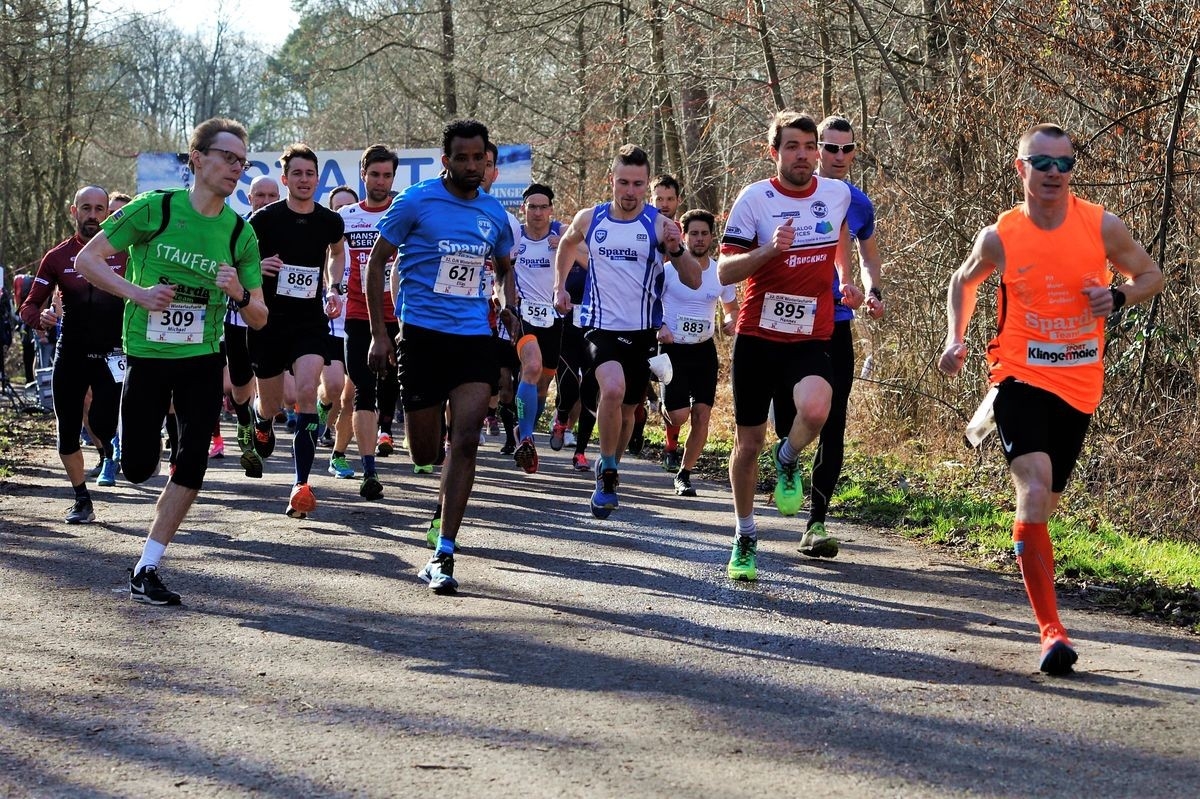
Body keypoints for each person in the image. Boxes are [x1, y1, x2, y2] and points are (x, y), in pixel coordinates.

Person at [938, 122, 1162, 675]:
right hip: (1017, 376)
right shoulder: (1001, 235)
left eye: (1064, 164)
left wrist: (1118, 296)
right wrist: (955, 338)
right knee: (1034, 489)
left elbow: (1150, 275)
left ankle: (1034, 573)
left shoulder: (1101, 225)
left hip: (1080, 386)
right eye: (1042, 163)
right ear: (1022, 169)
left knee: (1046, 503)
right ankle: (1051, 632)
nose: (1054, 174)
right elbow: (963, 282)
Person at [74, 116, 267, 604]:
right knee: (139, 467)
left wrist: (239, 292)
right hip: (147, 355)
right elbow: (87, 261)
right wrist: (138, 293)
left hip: (203, 357)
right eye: (227, 158)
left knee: (193, 460)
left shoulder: (239, 234)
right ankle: (142, 435)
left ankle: (147, 566)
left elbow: (260, 316)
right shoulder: (154, 209)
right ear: (198, 159)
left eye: (242, 162)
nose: (236, 168)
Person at [365, 119, 516, 593]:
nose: (472, 166)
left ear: (487, 161)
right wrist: (380, 335)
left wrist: (508, 303)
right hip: (422, 338)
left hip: (473, 337)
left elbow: (505, 268)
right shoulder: (416, 201)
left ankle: (444, 552)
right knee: (426, 452)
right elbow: (376, 263)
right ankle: (442, 490)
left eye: (479, 158)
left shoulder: (493, 212)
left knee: (466, 440)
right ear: (446, 160)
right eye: (462, 158)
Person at [718, 110, 863, 582]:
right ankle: (745, 535)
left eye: (808, 146)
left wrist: (850, 280)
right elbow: (724, 271)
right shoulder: (754, 199)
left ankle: (787, 458)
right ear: (774, 152)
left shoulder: (837, 194)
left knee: (818, 408)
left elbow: (845, 237)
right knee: (747, 443)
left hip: (810, 335)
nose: (802, 155)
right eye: (791, 147)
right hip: (758, 337)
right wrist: (769, 251)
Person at [553, 145, 702, 519]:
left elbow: (694, 279)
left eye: (638, 184)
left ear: (646, 185)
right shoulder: (590, 219)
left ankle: (610, 467)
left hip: (642, 333)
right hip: (599, 327)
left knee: (629, 411)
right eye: (623, 182)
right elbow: (567, 244)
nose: (630, 191)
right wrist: (559, 286)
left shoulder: (659, 225)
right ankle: (607, 472)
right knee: (613, 388)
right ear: (612, 181)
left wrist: (677, 249)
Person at [248, 144, 346, 518]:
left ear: (317, 179)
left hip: (309, 321)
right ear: (285, 179)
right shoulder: (263, 219)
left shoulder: (329, 221)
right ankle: (261, 420)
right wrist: (258, 266)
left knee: (306, 392)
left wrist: (333, 287)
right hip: (268, 322)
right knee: (273, 404)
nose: (304, 180)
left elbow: (337, 253)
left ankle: (300, 485)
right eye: (297, 174)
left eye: (310, 174)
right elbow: (236, 259)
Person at [19, 186, 128, 522]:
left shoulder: (126, 253)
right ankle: (82, 499)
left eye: (99, 208)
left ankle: (109, 452)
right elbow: (28, 306)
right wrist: (41, 318)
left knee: (103, 424)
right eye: (86, 208)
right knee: (66, 431)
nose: (92, 215)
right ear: (74, 211)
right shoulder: (57, 257)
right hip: (72, 354)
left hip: (113, 353)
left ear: (108, 212)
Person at [806, 115, 886, 546]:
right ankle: (786, 457)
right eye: (830, 147)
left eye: (847, 148)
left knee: (833, 420)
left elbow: (869, 256)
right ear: (816, 149)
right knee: (792, 418)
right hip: (790, 323)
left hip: (836, 322)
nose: (839, 156)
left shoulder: (859, 203)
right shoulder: (791, 192)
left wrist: (872, 291)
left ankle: (816, 521)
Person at [657, 208, 738, 497]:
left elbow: (731, 308)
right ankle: (665, 408)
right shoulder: (668, 271)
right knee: (678, 416)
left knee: (702, 415)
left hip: (704, 350)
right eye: (694, 233)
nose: (699, 239)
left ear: (712, 237)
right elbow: (650, 305)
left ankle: (685, 474)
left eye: (704, 233)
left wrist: (731, 320)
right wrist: (659, 326)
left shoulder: (720, 273)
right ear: (683, 236)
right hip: (672, 349)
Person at [338, 146, 403, 500]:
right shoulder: (346, 216)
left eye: (387, 175)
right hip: (357, 315)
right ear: (363, 174)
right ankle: (369, 470)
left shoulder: (403, 212)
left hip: (399, 316)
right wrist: (331, 289)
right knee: (363, 388)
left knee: (391, 386)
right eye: (375, 174)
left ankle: (392, 432)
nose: (381, 181)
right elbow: (333, 258)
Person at [505, 182, 564, 474]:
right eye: (532, 207)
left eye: (543, 207)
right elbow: (500, 269)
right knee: (531, 367)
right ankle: (527, 438)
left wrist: (565, 246)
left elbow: (589, 261)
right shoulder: (514, 237)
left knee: (543, 385)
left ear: (551, 210)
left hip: (555, 318)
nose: (537, 213)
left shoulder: (563, 233)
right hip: (523, 315)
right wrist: (505, 298)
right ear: (523, 209)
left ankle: (522, 428)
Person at [227, 175, 280, 476]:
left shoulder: (285, 228)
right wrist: (255, 270)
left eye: (272, 196)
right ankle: (244, 419)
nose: (266, 201)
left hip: (273, 320)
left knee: (270, 379)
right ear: (249, 198)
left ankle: (264, 421)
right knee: (239, 388)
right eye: (260, 195)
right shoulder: (234, 228)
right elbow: (221, 269)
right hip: (237, 318)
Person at [627, 174, 683, 455]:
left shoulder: (682, 231)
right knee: (636, 380)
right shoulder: (639, 225)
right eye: (659, 198)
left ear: (678, 201)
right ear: (650, 198)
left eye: (670, 199)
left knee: (671, 381)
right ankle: (635, 428)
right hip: (641, 314)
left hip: (674, 316)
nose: (664, 204)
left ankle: (671, 444)